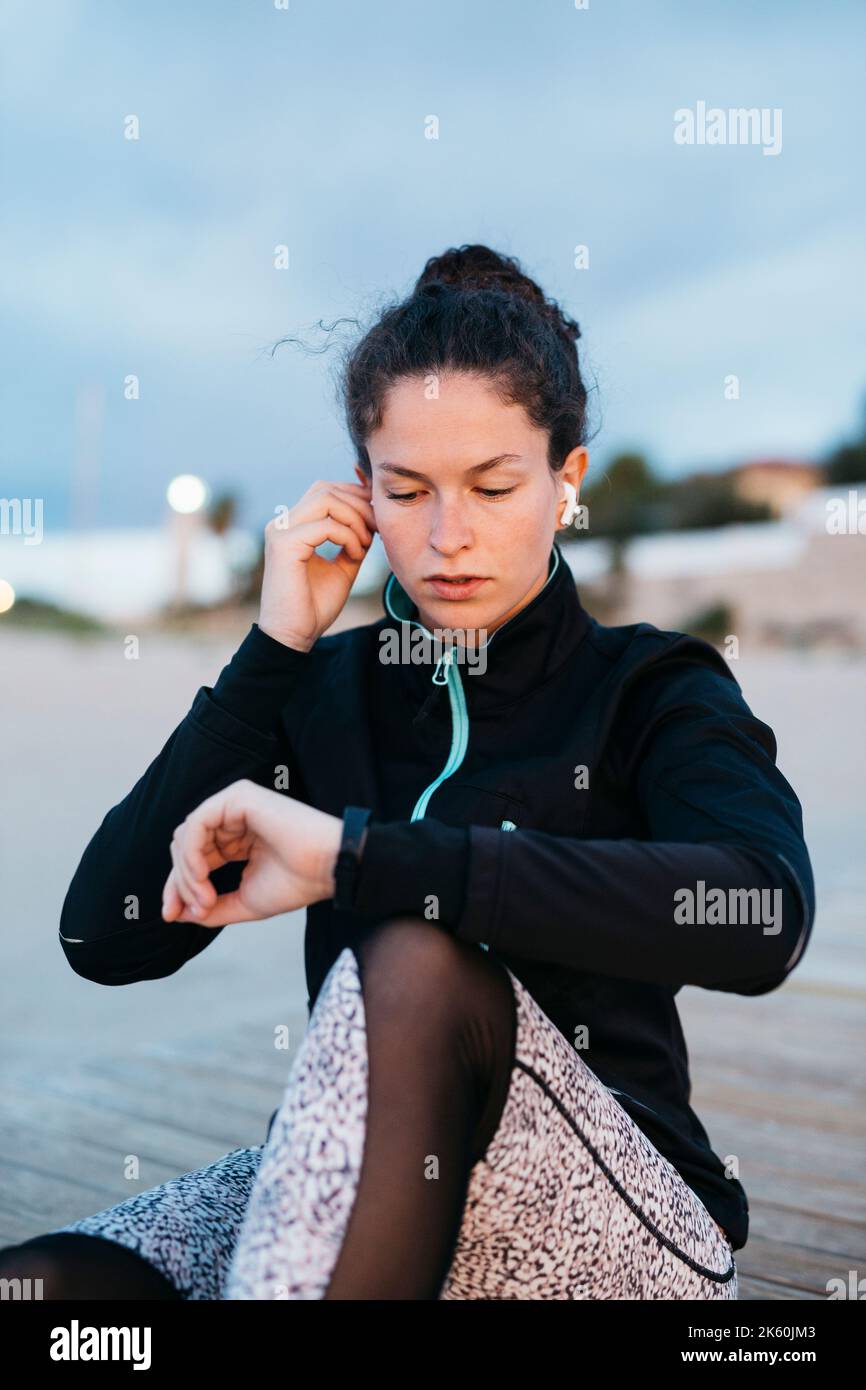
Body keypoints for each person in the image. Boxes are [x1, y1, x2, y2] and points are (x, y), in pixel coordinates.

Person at [0, 244, 815, 1300]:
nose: (445, 535)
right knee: (48, 1291)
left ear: (564, 481)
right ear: (360, 490)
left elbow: (757, 913)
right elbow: (101, 937)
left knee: (417, 964)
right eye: (406, 488)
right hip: (361, 1180)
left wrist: (359, 859)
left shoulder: (649, 687)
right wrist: (272, 653)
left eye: (491, 484)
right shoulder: (325, 690)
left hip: (613, 1228)